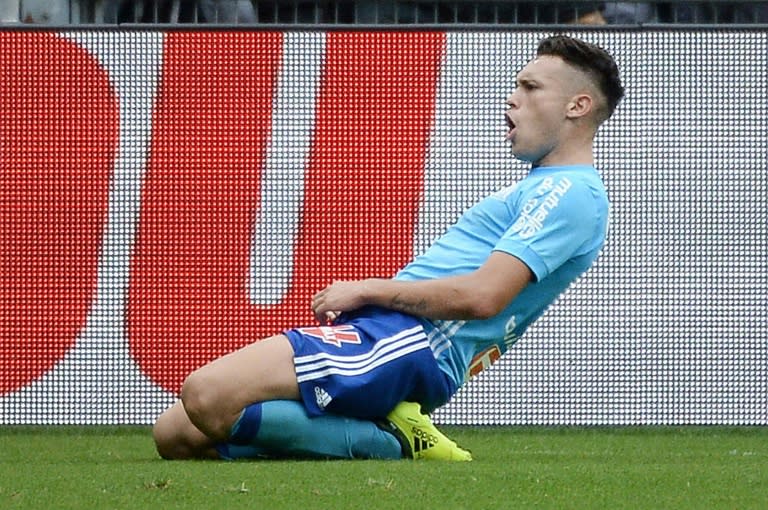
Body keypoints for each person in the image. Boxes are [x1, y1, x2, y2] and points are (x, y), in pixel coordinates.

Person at [153, 34, 624, 462]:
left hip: (418, 342)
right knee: (177, 433)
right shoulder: (543, 186)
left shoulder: (572, 193)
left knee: (207, 396)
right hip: (393, 333)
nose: (512, 97)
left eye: (531, 87)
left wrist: (367, 290)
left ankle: (394, 441)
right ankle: (379, 428)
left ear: (577, 106)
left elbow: (484, 297)